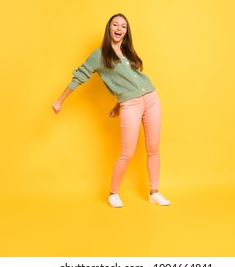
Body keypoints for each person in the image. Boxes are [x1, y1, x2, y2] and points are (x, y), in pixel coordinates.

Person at [52, 13, 170, 208]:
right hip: (131, 105)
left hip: (151, 98)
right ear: (109, 28)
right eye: (115, 24)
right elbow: (80, 76)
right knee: (127, 152)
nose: (119, 28)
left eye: (123, 26)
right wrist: (59, 100)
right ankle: (113, 193)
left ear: (126, 31)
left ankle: (154, 192)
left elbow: (128, 80)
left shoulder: (128, 50)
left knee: (153, 148)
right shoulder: (99, 55)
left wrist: (116, 105)